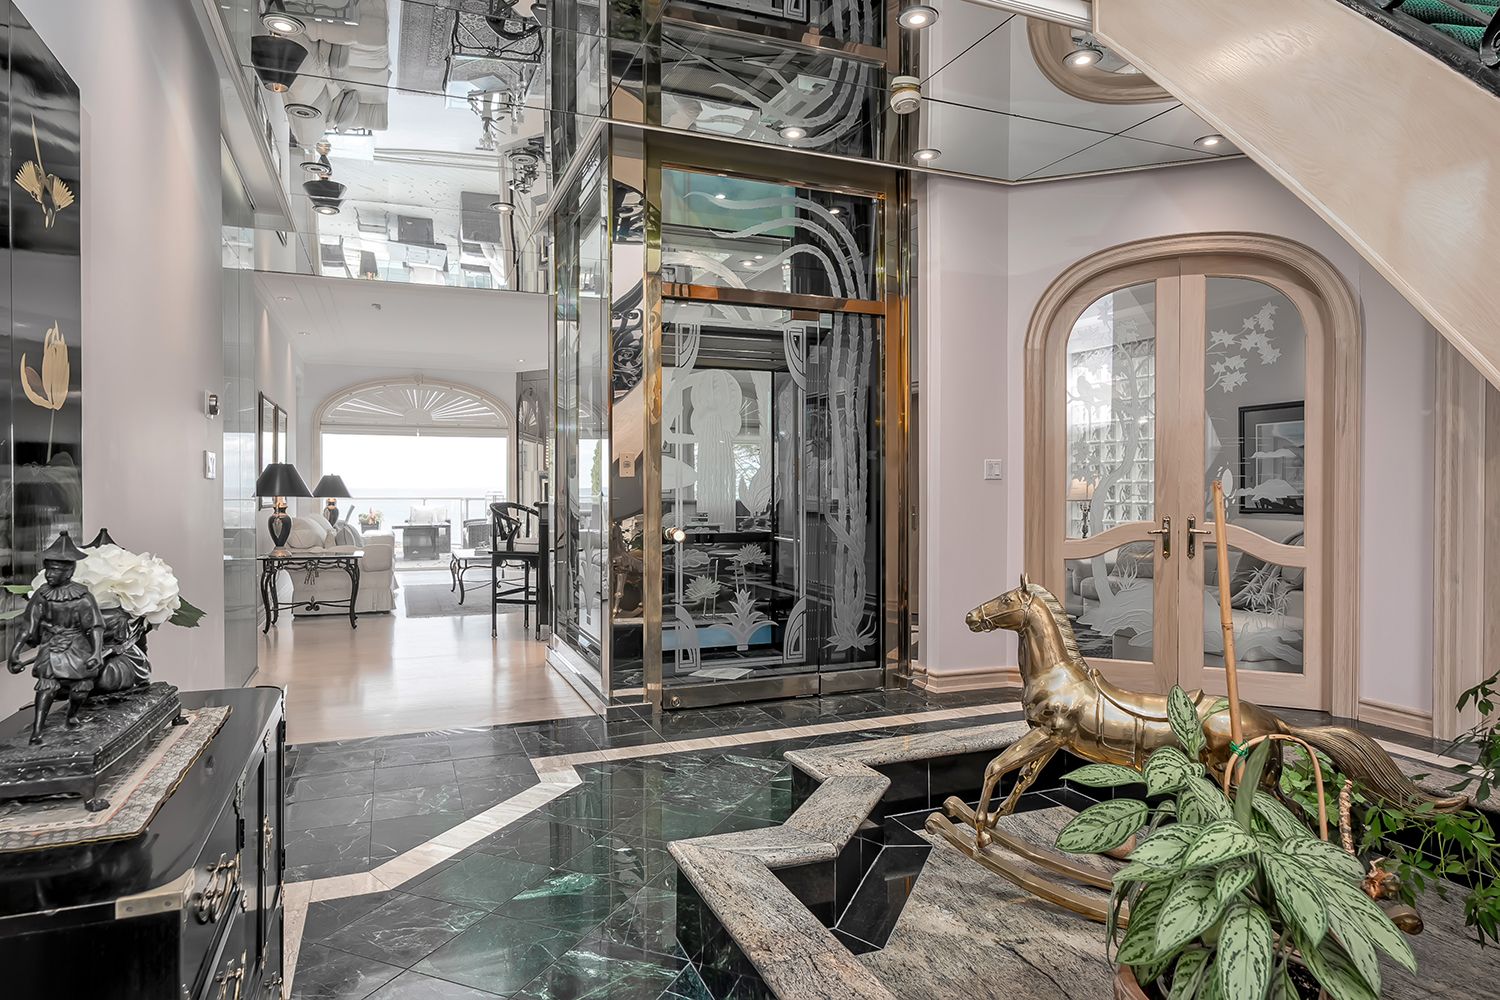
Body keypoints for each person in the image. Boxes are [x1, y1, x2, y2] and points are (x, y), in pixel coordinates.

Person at [6, 531, 104, 743]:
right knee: (46, 686)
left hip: (77, 646)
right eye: (48, 569)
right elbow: (28, 626)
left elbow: (95, 626)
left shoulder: (83, 597)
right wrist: (15, 652)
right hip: (51, 647)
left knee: (81, 688)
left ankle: (72, 715)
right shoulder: (42, 595)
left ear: (69, 572)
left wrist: (96, 652)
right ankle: (37, 730)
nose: (49, 575)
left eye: (55, 570)